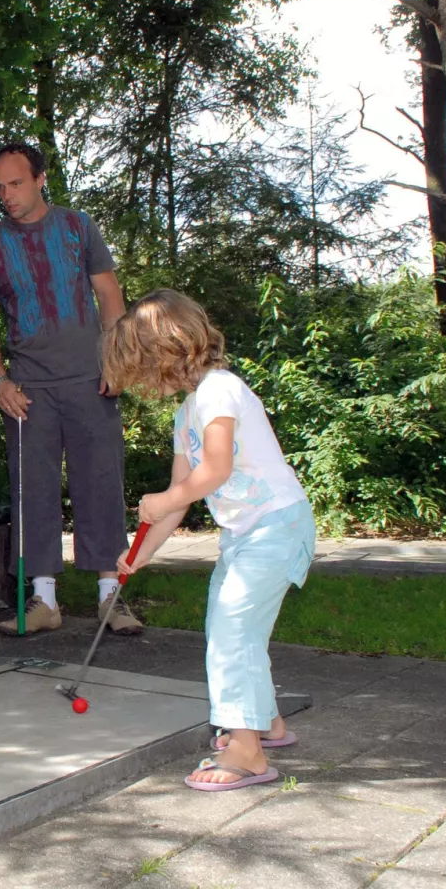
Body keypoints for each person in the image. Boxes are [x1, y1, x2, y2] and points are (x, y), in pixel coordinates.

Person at [105, 289, 315, 792]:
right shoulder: (187, 414)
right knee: (236, 629)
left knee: (230, 631)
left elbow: (215, 470)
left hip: (276, 525)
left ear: (166, 352)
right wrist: (141, 554)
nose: (142, 381)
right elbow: (179, 503)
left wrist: (165, 495)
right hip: (248, 534)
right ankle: (265, 723)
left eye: (141, 365)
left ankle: (249, 753)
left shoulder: (220, 389)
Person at [0, 141, 143, 636]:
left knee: (102, 484)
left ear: (41, 179)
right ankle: (43, 602)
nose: (7, 195)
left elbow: (109, 293)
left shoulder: (78, 227)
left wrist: (116, 359)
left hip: (92, 381)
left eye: (16, 183)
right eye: (0, 187)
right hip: (28, 391)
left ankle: (112, 598)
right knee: (33, 493)